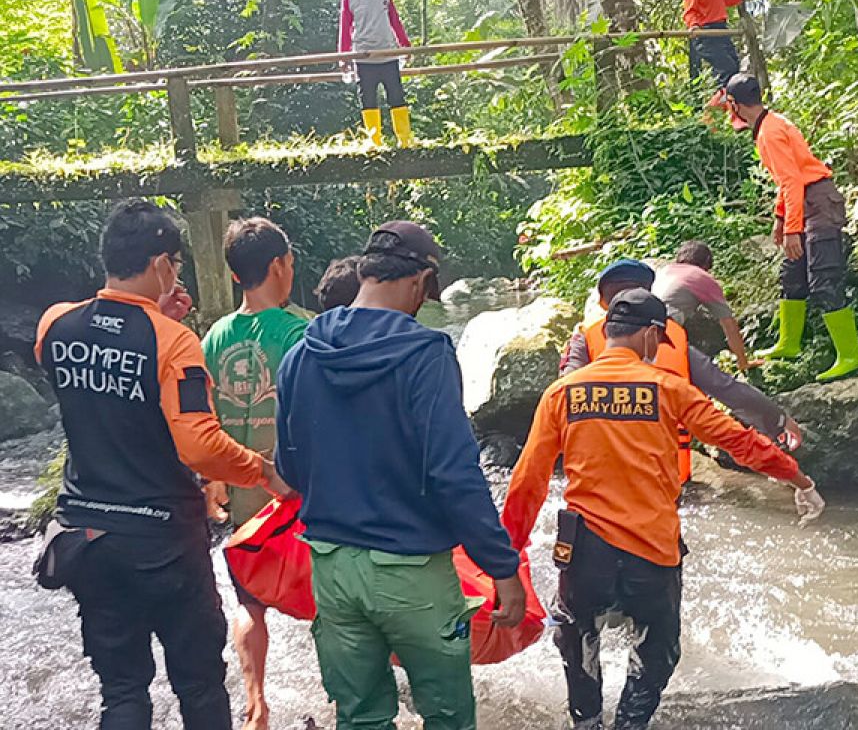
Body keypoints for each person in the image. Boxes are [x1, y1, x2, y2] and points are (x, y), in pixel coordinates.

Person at [503, 289, 824, 730]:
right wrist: (798, 479)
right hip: (651, 551)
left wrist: (506, 558)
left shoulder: (563, 393)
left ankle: (588, 722)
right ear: (652, 336)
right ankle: (630, 725)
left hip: (584, 553)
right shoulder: (670, 389)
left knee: (577, 639)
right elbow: (740, 442)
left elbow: (527, 482)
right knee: (658, 650)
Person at [33, 199, 289, 730]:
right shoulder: (174, 343)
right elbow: (197, 444)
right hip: (162, 542)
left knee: (122, 692)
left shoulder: (56, 324)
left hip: (87, 536)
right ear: (162, 267)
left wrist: (152, 320)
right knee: (198, 685)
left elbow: (101, 371)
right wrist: (262, 472)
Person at [274, 221, 527, 730]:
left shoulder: (301, 354)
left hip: (331, 568)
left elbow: (289, 468)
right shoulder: (426, 355)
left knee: (361, 717)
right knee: (448, 718)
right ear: (420, 281)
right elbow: (455, 476)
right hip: (411, 573)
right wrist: (503, 568)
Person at [201, 218, 311, 730]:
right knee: (328, 605)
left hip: (243, 497)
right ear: (277, 266)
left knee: (250, 604)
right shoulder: (301, 333)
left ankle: (256, 704)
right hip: (295, 494)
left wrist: (212, 483)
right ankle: (343, 696)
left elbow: (203, 417)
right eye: (289, 263)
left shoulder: (215, 336)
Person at [561, 259, 803, 482]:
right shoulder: (673, 339)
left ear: (604, 302)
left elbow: (563, 397)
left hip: (603, 476)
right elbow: (725, 388)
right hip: (668, 475)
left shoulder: (585, 338)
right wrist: (777, 419)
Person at [725, 73, 858, 381]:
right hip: (805, 202)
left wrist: (792, 229)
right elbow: (787, 180)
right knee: (792, 274)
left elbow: (792, 181)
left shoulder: (769, 133)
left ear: (735, 105)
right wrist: (780, 219)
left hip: (818, 203)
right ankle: (789, 343)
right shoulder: (772, 124)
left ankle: (850, 355)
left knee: (824, 278)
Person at [339, 0, 414, 147]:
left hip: (388, 55)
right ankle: (374, 142)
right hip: (364, 58)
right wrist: (343, 57)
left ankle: (405, 140)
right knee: (368, 100)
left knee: (397, 96)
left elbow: (395, 21)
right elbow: (345, 29)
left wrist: (405, 45)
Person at [653, 240, 760, 372]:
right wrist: (743, 361)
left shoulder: (664, 270)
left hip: (639, 320)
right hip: (664, 326)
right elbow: (729, 324)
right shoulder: (702, 277)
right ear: (707, 262)